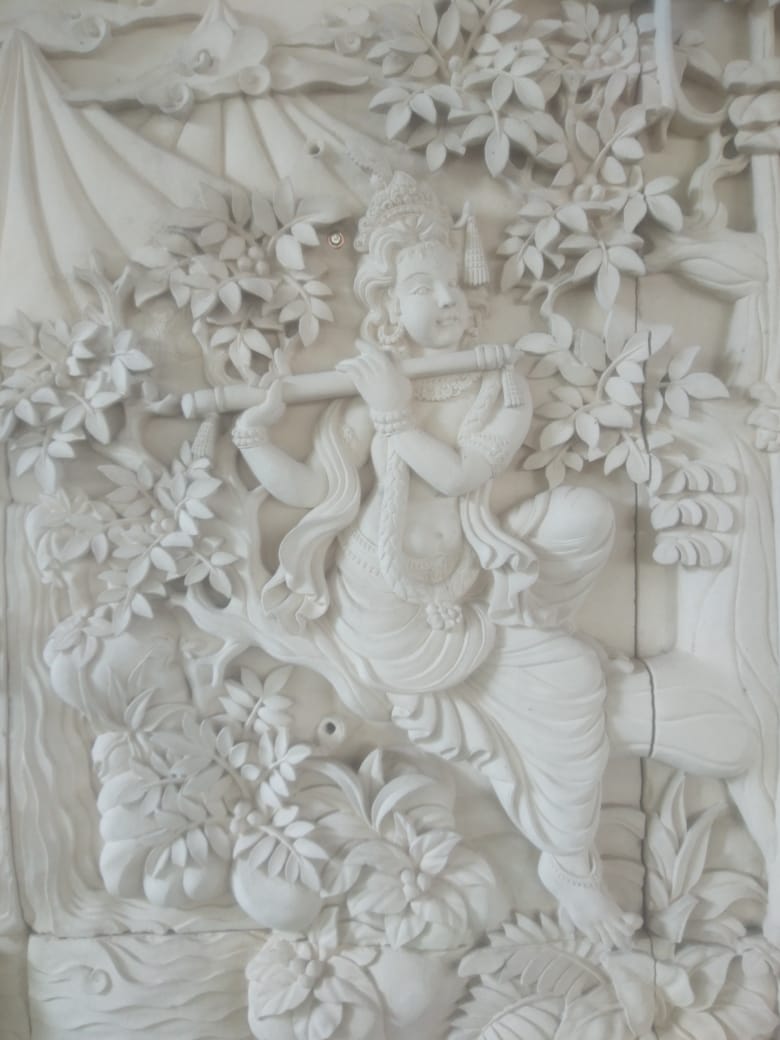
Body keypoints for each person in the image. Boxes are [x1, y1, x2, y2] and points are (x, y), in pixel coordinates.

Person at [231, 173, 640, 946]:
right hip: (387, 608)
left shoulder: (498, 386)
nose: (448, 300)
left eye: (453, 283)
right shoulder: (371, 390)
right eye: (424, 288)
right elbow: (314, 490)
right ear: (388, 303)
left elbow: (460, 475)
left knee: (586, 515)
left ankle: (529, 630)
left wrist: (397, 416)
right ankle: (570, 861)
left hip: (466, 578)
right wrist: (255, 437)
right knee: (571, 680)